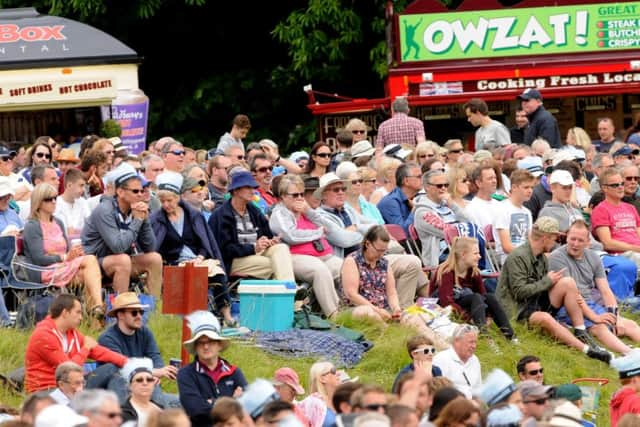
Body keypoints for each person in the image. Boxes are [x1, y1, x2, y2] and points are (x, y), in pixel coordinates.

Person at [496, 216, 611, 362]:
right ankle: (587, 350)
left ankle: (580, 330)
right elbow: (519, 293)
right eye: (554, 238)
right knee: (545, 317)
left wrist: (551, 283)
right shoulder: (518, 257)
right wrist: (547, 281)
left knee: (568, 282)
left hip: (534, 303)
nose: (556, 242)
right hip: (517, 311)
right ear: (545, 238)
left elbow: (542, 288)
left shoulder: (542, 258)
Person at [151, 172, 232, 324]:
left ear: (178, 198)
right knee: (188, 275)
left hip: (197, 259)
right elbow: (155, 248)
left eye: (169, 200)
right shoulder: (157, 219)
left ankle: (227, 315)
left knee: (218, 274)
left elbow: (204, 242)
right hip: (172, 263)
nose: (166, 205)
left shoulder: (193, 215)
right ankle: (191, 319)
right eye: (162, 201)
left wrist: (200, 257)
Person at [549, 220, 640, 355]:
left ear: (587, 242)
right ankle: (630, 354)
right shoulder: (557, 257)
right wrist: (595, 317)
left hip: (590, 302)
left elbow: (605, 290)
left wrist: (615, 317)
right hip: (568, 305)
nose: (575, 244)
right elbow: (573, 293)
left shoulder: (593, 257)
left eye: (580, 240)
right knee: (600, 327)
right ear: (566, 237)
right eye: (572, 239)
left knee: (629, 324)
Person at [23, 183, 104, 319]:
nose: (54, 202)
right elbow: (39, 259)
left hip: (63, 266)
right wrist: (65, 257)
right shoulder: (32, 226)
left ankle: (96, 316)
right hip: (45, 271)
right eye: (49, 199)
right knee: (90, 261)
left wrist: (73, 254)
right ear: (38, 202)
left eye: (55, 198)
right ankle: (98, 306)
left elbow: (66, 250)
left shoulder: (58, 222)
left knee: (87, 274)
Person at [82, 164, 163, 297]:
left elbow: (151, 248)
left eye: (142, 191)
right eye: (135, 191)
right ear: (120, 192)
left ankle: (153, 310)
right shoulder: (104, 210)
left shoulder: (135, 209)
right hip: (94, 263)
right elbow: (118, 247)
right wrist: (137, 221)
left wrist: (144, 219)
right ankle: (121, 309)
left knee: (155, 259)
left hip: (119, 259)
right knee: (123, 260)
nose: (141, 195)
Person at [269, 174, 342, 318]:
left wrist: (309, 212)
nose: (300, 198)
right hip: (294, 256)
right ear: (283, 196)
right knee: (320, 271)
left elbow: (332, 229)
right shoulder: (279, 214)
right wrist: (318, 233)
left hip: (322, 255)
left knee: (346, 268)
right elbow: (291, 236)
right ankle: (335, 315)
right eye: (295, 195)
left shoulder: (306, 211)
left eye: (302, 194)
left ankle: (352, 311)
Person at [24, 294, 127, 393]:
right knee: (111, 369)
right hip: (47, 390)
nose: (81, 317)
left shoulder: (71, 333)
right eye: (78, 312)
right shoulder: (44, 335)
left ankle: (123, 409)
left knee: (114, 368)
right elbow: (68, 371)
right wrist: (86, 348)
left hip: (71, 385)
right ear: (65, 313)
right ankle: (124, 409)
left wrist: (129, 363)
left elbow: (100, 352)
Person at [209, 170, 295, 281]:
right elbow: (224, 250)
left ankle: (288, 289)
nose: (253, 191)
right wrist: (253, 247)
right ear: (236, 190)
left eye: (253, 187)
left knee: (281, 248)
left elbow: (266, 234)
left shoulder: (253, 210)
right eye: (248, 187)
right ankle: (289, 292)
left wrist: (269, 241)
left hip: (256, 253)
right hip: (233, 260)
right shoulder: (221, 215)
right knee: (274, 264)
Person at [98, 292, 178, 406]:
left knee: (186, 402)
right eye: (134, 313)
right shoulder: (107, 338)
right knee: (159, 399)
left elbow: (155, 356)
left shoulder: (144, 332)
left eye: (141, 312)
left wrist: (155, 374)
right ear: (120, 315)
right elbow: (122, 368)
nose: (139, 316)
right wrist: (151, 373)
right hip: (118, 392)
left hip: (144, 385)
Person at [432, 236, 515, 340]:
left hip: (468, 304)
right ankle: (485, 337)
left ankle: (511, 337)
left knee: (489, 296)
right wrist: (468, 318)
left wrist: (488, 316)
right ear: (463, 255)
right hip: (445, 310)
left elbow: (483, 295)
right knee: (475, 297)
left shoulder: (473, 271)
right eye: (476, 253)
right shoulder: (447, 272)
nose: (479, 256)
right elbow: (446, 303)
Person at [177, 311, 246, 427]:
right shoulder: (186, 374)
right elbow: (195, 409)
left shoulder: (234, 372)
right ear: (195, 347)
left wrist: (211, 403)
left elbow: (246, 406)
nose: (206, 346)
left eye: (211, 341)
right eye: (201, 342)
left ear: (219, 345)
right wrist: (232, 401)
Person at [414, 168, 471, 268]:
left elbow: (470, 222)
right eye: (439, 186)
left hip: (461, 250)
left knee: (477, 256)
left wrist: (452, 204)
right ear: (427, 187)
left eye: (446, 185)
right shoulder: (422, 212)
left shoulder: (448, 204)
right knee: (472, 259)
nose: (443, 188)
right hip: (441, 257)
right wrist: (464, 229)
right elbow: (449, 232)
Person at [591, 167, 640, 269]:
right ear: (604, 188)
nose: (620, 187)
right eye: (615, 185)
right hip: (621, 256)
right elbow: (607, 243)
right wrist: (635, 248)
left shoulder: (631, 208)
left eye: (622, 183)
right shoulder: (600, 210)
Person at [493, 169, 535, 264]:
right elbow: (506, 247)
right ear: (514, 187)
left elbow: (530, 241)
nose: (530, 191)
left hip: (525, 258)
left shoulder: (527, 212)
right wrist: (529, 256)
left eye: (532, 187)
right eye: (526, 187)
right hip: (509, 260)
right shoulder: (503, 209)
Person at [432, 324, 481, 398]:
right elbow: (436, 392)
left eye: (475, 342)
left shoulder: (475, 360)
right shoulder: (441, 359)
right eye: (471, 342)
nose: (474, 346)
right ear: (457, 341)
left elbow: (478, 389)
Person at [378, 163, 422, 234]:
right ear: (406, 181)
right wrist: (415, 210)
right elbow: (402, 232)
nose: (423, 179)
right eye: (419, 176)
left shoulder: (419, 197)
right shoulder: (390, 202)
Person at [120, 358, 163, 426]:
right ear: (130, 386)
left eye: (149, 379)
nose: (145, 383)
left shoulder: (161, 408)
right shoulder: (122, 413)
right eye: (139, 380)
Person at [299, 361, 341, 427]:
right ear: (322, 378)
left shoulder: (340, 401)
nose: (338, 373)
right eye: (334, 371)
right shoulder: (313, 403)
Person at [54, 168, 91, 241]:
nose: (83, 189)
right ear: (69, 185)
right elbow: (64, 233)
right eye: (81, 185)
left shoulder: (83, 202)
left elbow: (90, 228)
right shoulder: (56, 204)